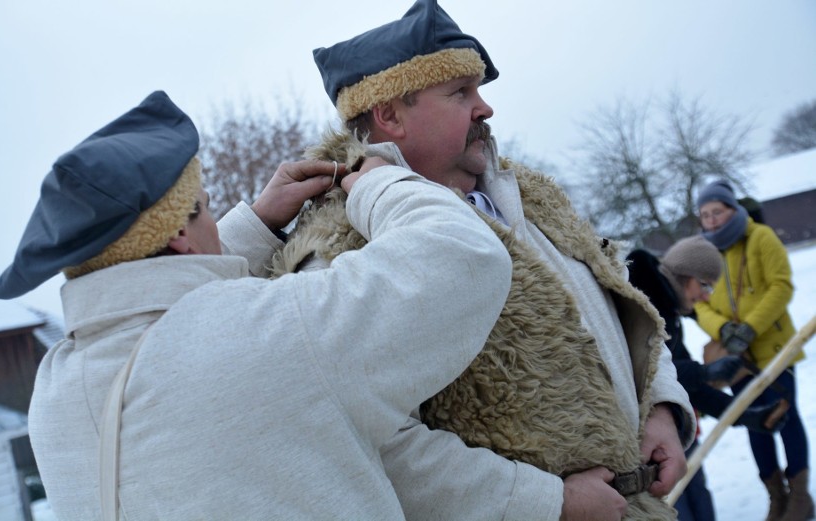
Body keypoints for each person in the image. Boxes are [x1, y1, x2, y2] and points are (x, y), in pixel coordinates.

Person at [0, 91, 514, 519]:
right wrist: (377, 185)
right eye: (208, 209)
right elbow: (460, 255)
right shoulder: (274, 335)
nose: (216, 222)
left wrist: (257, 225)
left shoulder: (55, 391)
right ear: (176, 232)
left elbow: (161, 324)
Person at [273, 2, 696, 519]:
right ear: (389, 115)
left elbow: (620, 308)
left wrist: (662, 408)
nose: (485, 108)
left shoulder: (537, 196)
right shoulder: (339, 248)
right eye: (460, 93)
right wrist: (547, 502)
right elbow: (364, 438)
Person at [627, 235, 789, 521]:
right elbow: (648, 371)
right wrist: (704, 371)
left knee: (698, 497)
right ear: (685, 276)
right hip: (645, 441)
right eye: (704, 285)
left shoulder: (668, 312)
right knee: (677, 510)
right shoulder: (641, 305)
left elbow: (686, 384)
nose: (706, 297)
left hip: (674, 434)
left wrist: (746, 415)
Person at [695, 179, 812, 521]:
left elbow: (781, 286)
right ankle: (776, 498)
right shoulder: (705, 254)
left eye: (717, 211)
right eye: (705, 215)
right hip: (736, 360)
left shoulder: (760, 236)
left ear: (733, 210)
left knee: (786, 419)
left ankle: (800, 498)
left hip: (775, 348)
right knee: (755, 425)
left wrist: (750, 328)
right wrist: (722, 329)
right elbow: (697, 304)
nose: (712, 220)